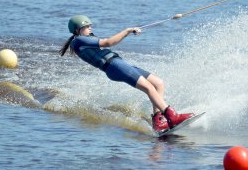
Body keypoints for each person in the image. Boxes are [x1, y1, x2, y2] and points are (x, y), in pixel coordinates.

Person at [59, 15, 194, 133]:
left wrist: (128, 32)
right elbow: (108, 42)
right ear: (77, 30)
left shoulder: (85, 39)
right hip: (114, 66)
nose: (90, 28)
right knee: (149, 88)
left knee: (158, 83)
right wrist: (127, 30)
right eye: (87, 26)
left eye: (90, 26)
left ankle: (159, 121)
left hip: (119, 64)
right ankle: (172, 116)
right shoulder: (78, 41)